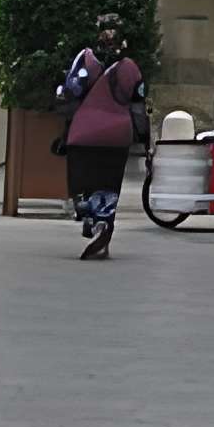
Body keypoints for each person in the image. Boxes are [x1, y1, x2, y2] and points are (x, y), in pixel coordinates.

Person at [56, 15, 144, 261]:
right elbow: (138, 102)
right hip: (118, 135)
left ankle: (90, 220)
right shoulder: (130, 67)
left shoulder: (87, 60)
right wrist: (145, 141)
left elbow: (72, 88)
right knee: (108, 183)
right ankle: (103, 224)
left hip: (85, 132)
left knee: (82, 181)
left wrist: (61, 91)